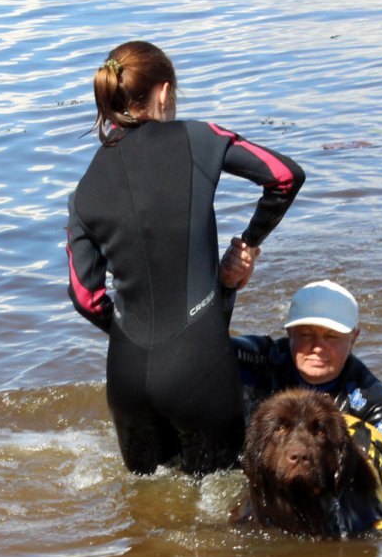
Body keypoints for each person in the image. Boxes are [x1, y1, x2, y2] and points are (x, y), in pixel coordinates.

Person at [66, 40, 305, 477]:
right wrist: (248, 242)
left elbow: (85, 296)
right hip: (198, 366)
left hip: (126, 377)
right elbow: (285, 176)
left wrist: (131, 337)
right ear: (163, 93)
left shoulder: (86, 188)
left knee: (146, 503)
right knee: (224, 505)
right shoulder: (198, 139)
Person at [229, 279, 382, 508]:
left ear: (353, 338)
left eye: (332, 336)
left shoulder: (373, 401)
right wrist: (227, 288)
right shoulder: (265, 359)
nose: (318, 347)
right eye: (306, 334)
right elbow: (209, 345)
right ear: (289, 333)